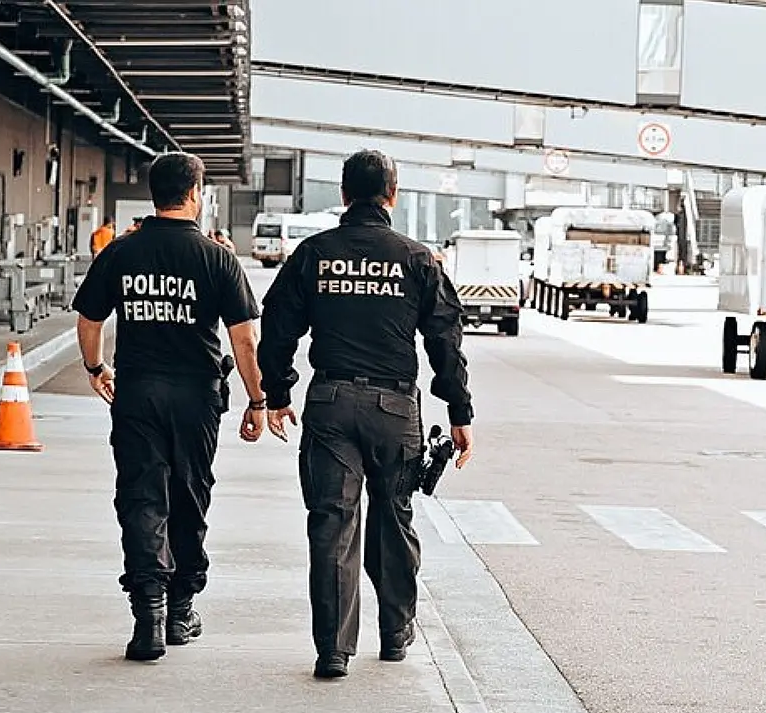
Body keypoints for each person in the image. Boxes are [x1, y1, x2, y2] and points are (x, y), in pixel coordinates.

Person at [257, 149, 474, 680]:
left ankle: (333, 649)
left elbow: (278, 325)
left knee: (332, 524)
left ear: (344, 194)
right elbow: (445, 337)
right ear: (392, 196)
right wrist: (460, 409)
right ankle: (396, 633)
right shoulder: (419, 259)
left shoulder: (313, 253)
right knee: (393, 519)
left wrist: (279, 391)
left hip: (331, 405)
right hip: (396, 408)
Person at [71, 152, 268, 663]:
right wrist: (257, 399)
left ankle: (149, 617)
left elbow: (89, 322)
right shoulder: (217, 258)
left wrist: (96, 369)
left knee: (140, 498)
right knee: (188, 495)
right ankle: (180, 611)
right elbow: (244, 341)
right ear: (196, 194)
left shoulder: (121, 252)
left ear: (154, 194)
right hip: (196, 396)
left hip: (137, 394)